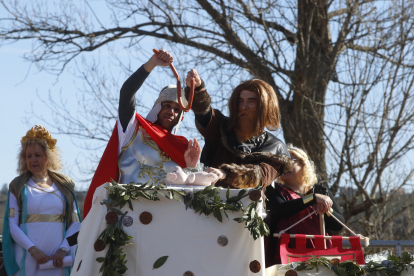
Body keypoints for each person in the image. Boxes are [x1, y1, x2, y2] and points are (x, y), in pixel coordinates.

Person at [83, 50, 209, 218]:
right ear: (158, 107)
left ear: (180, 117)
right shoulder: (133, 128)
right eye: (167, 105)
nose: (171, 111)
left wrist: (192, 167)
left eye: (177, 109)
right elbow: (126, 93)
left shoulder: (183, 147)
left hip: (164, 222)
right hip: (126, 217)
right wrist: (152, 63)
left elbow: (190, 197)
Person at [183, 69, 292, 189]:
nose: (244, 107)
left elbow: (259, 175)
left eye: (251, 101)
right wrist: (198, 89)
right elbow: (204, 113)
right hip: (209, 204)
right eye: (240, 101)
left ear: (265, 106)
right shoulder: (220, 128)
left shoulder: (275, 147)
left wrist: (226, 173)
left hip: (248, 206)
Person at [2, 125, 81, 276]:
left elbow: (75, 223)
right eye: (28, 156)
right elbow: (12, 225)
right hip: (28, 258)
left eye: (37, 155)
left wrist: (63, 249)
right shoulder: (18, 186)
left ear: (48, 156)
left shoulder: (65, 186)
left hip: (59, 259)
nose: (32, 160)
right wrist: (33, 250)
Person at [265, 145, 344, 266]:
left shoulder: (321, 190)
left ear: (303, 164)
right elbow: (281, 210)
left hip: (321, 254)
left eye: (290, 160)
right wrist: (312, 198)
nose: (285, 165)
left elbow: (339, 225)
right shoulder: (274, 190)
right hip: (288, 256)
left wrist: (326, 209)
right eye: (281, 162)